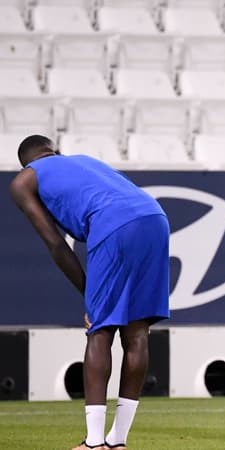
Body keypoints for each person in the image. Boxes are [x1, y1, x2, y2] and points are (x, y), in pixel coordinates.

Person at [9, 135, 170, 450]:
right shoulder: (82, 160)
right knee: (137, 331)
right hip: (155, 217)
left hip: (113, 223)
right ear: (54, 150)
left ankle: (94, 443)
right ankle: (117, 441)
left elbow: (56, 244)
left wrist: (89, 294)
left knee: (101, 330)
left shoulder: (24, 180)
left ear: (26, 162)